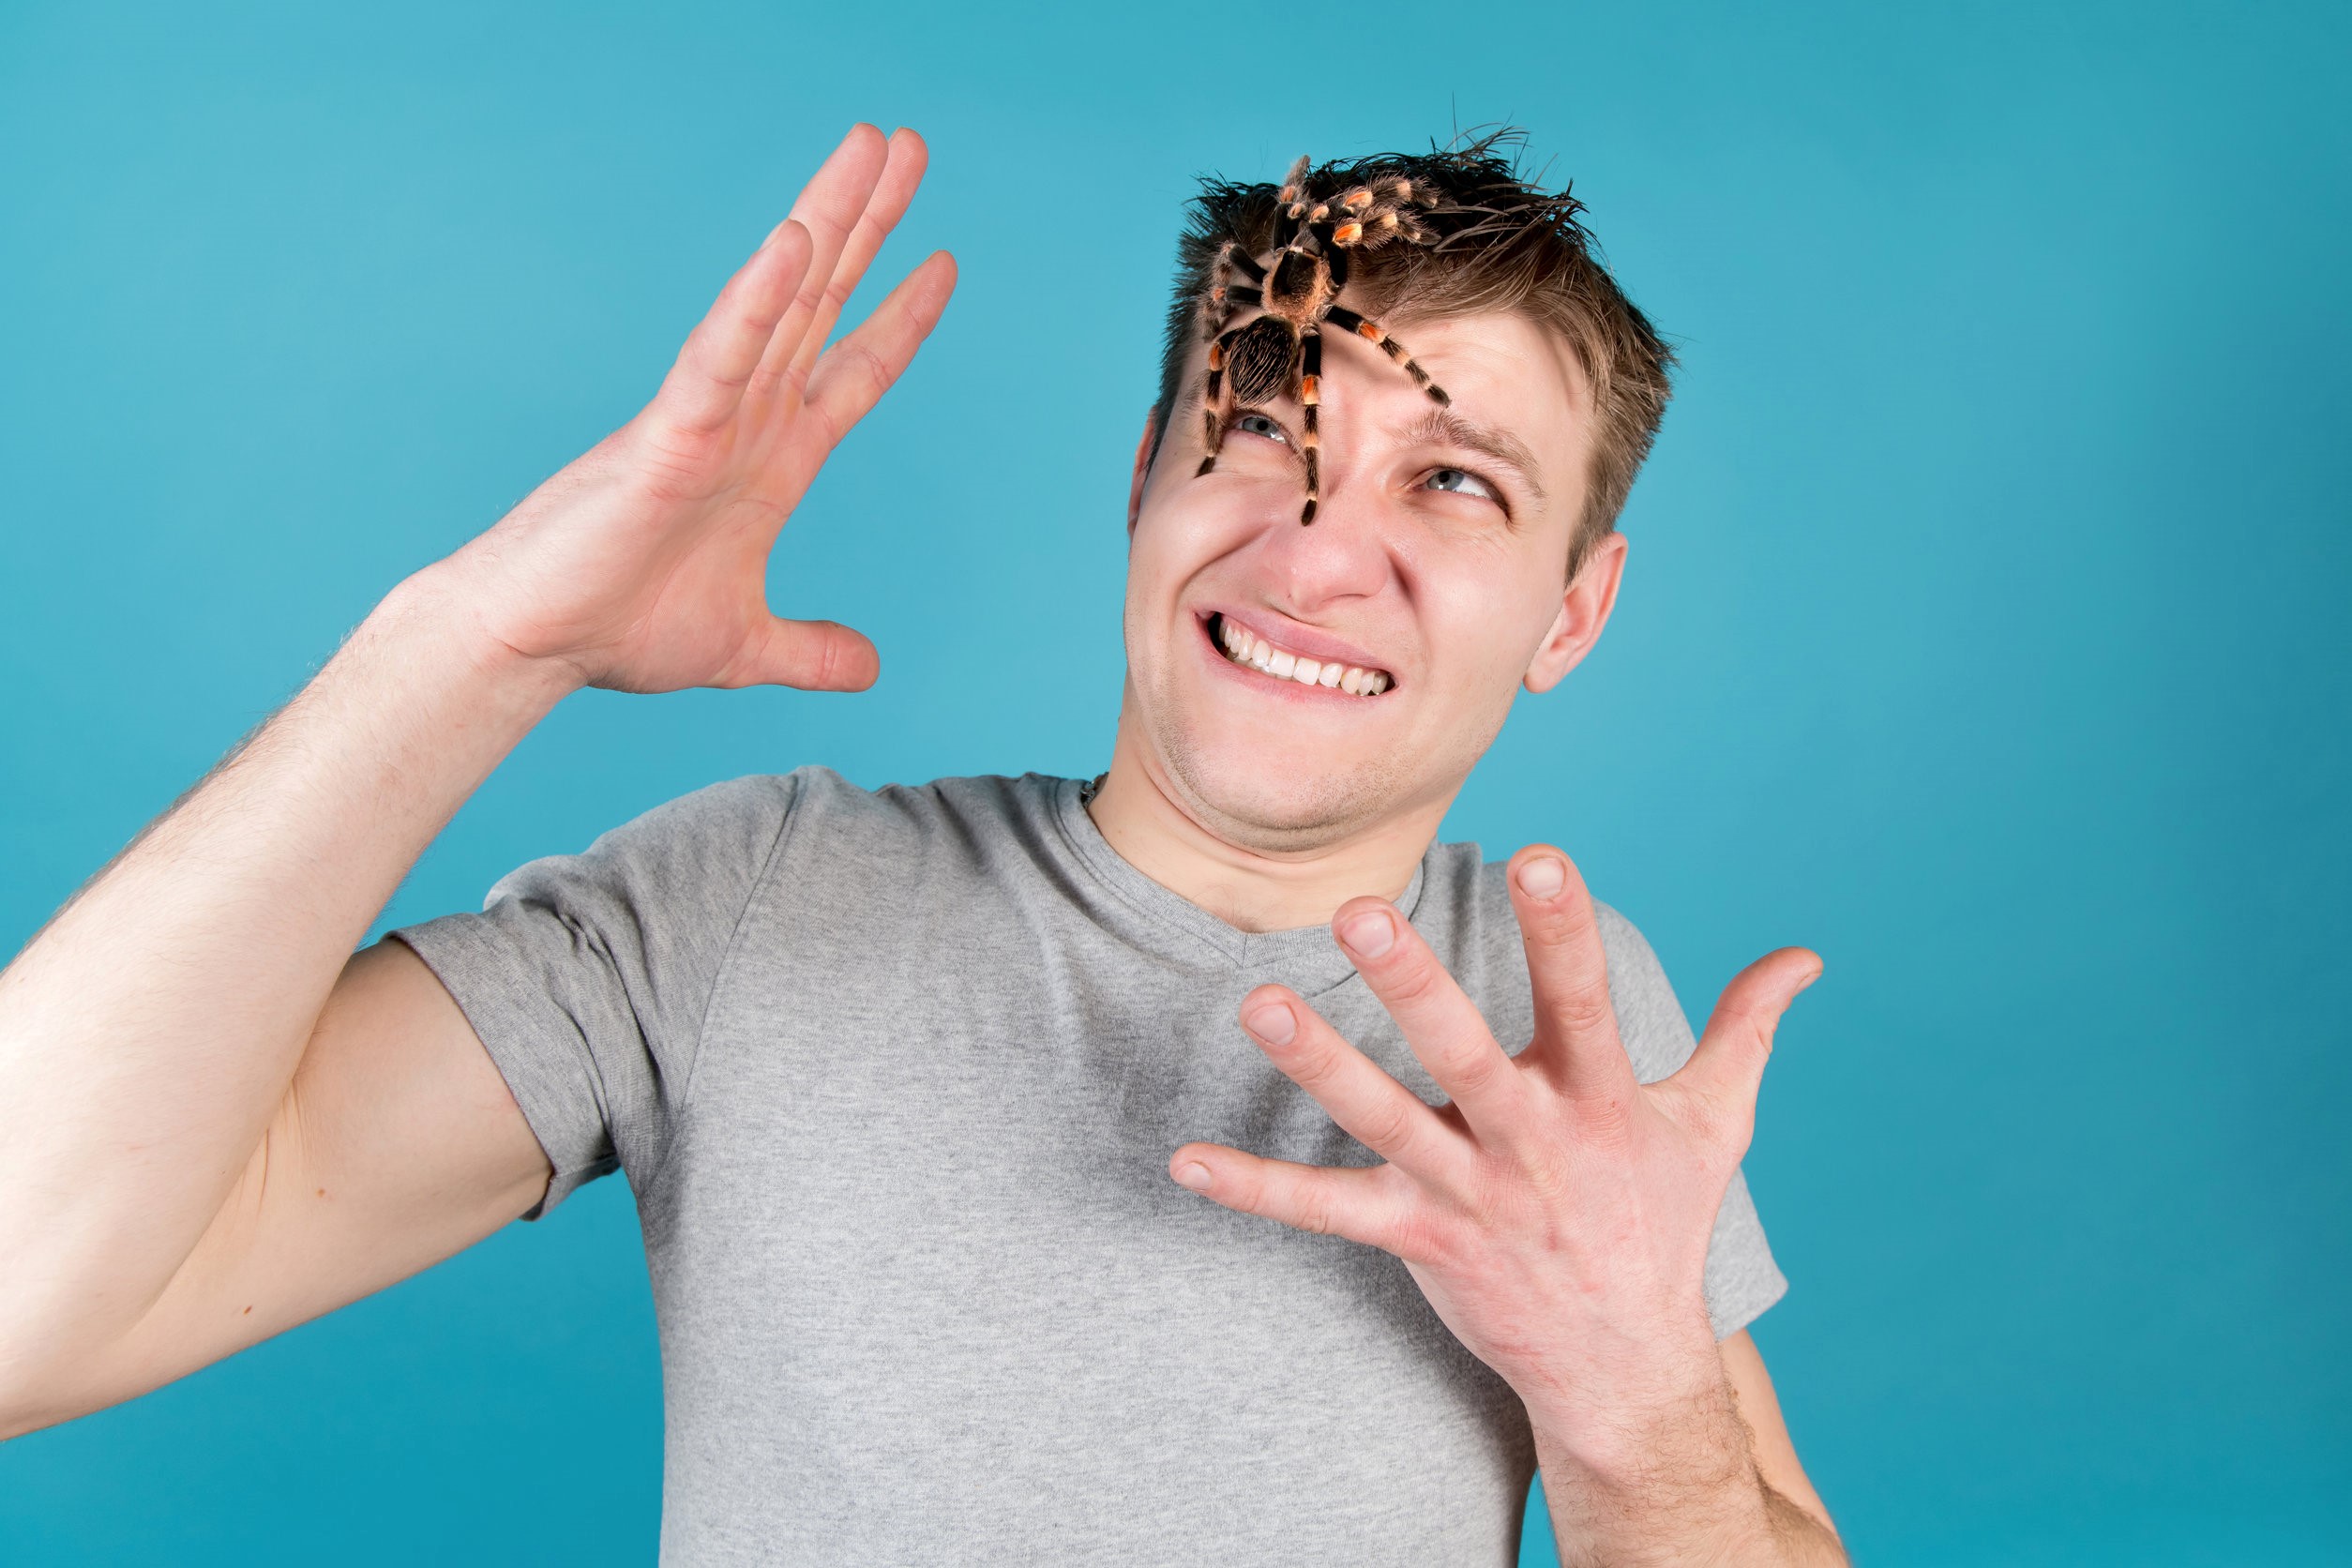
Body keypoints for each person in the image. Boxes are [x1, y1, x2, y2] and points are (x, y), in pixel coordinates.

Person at [0, 124, 1845, 1564]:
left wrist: (1636, 1394)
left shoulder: (1568, 1026)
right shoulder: (746, 906)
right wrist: (478, 641)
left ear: (1573, 610)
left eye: (1451, 480)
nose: (1314, 547)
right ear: (1144, 472)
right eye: (1264, 421)